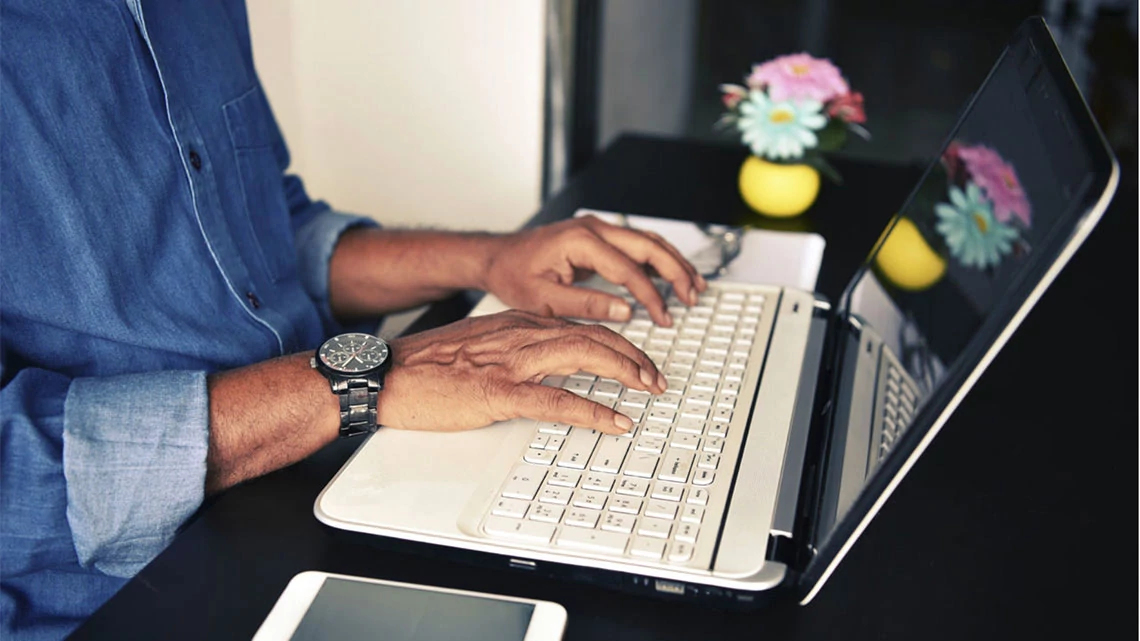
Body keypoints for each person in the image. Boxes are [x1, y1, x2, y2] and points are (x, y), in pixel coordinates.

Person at [0, 1, 706, 639]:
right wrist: (366, 380)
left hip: (319, 457)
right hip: (118, 591)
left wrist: (491, 259)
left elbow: (270, 240)